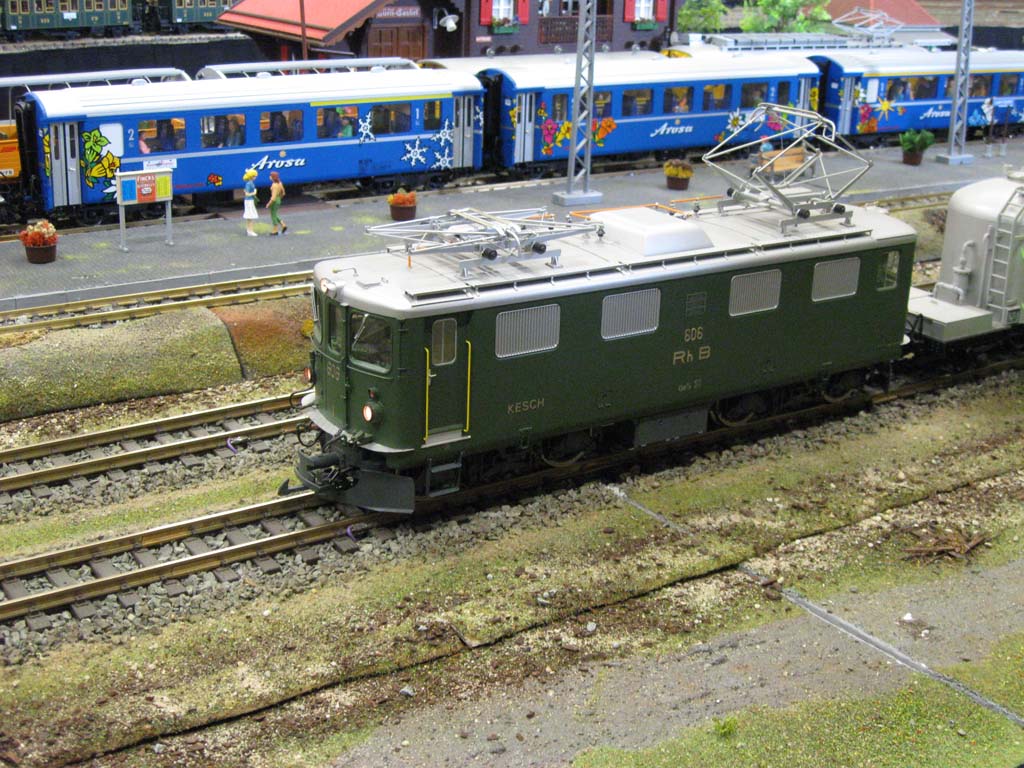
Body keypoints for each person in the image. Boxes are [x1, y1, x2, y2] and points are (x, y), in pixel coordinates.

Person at [266, 170, 287, 236]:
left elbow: (273, 197)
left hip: (274, 201)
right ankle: (283, 224)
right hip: (278, 199)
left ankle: (275, 230)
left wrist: (269, 203)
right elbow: (283, 193)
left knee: (273, 215)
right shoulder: (280, 183)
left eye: (270, 176)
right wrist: (279, 198)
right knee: (275, 214)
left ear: (272, 177)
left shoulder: (274, 185)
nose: (269, 177)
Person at [243, 169, 259, 237]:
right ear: (251, 176)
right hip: (249, 201)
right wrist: (254, 193)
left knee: (250, 216)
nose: (255, 177)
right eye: (254, 176)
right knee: (250, 216)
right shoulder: (249, 184)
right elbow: (247, 194)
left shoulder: (250, 183)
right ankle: (250, 231)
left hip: (250, 200)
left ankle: (249, 230)